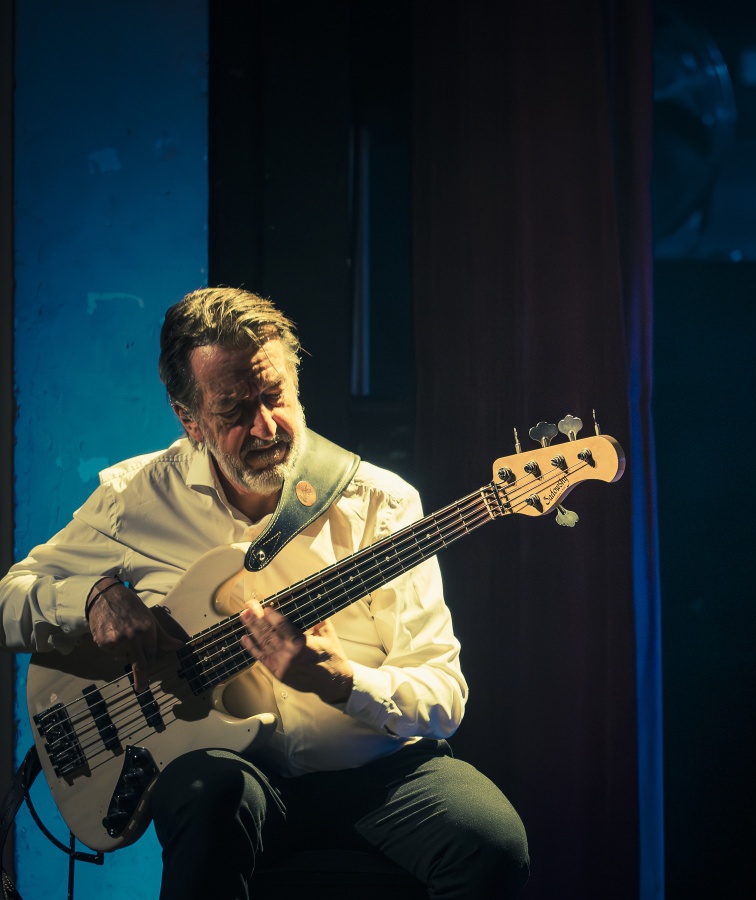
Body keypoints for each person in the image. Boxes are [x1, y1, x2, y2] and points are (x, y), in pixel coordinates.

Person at [0, 287, 529, 899]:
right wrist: (91, 598)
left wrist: (343, 680)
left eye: (275, 395)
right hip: (240, 781)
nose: (266, 425)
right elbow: (11, 598)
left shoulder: (383, 504)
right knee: (209, 792)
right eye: (233, 409)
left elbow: (443, 696)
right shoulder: (135, 500)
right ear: (189, 419)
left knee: (494, 845)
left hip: (381, 776)